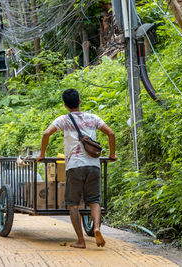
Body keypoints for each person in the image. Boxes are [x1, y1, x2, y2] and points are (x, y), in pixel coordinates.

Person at [36, 88, 116, 249]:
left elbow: (46, 133)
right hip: (94, 165)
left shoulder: (64, 120)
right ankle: (97, 228)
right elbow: (111, 133)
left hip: (74, 166)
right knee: (94, 200)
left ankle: (80, 240)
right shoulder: (93, 118)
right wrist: (112, 154)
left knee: (73, 204)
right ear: (80, 101)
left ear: (65, 105)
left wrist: (42, 154)